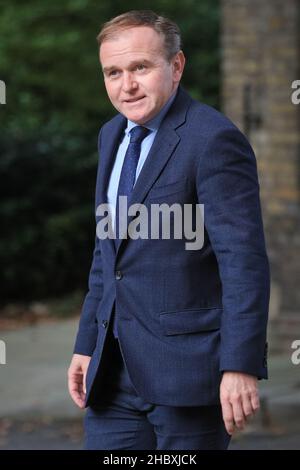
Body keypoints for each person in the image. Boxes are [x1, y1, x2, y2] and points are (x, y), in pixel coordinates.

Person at [68, 10, 270, 450]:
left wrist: (240, 365)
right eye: (113, 72)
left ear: (176, 66)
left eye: (140, 67)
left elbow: (243, 262)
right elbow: (108, 256)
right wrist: (87, 343)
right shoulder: (111, 135)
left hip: (188, 373)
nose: (127, 85)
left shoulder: (212, 140)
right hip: (112, 375)